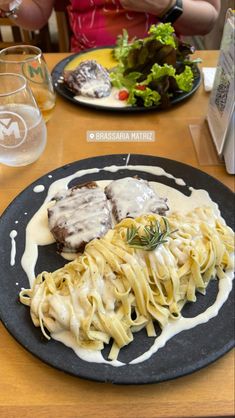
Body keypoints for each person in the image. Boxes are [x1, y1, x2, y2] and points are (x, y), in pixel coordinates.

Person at [0, 1, 221, 52]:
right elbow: (37, 14)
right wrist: (10, 4)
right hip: (85, 71)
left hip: (161, 68)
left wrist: (162, 4)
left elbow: (208, 20)